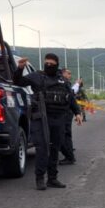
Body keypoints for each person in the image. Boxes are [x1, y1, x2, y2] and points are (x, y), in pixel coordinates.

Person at [14, 54, 82, 190]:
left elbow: (70, 98)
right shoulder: (37, 76)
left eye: (51, 63)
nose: (49, 65)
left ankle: (52, 178)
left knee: (55, 148)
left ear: (57, 65)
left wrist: (78, 112)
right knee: (42, 148)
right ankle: (40, 178)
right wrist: (20, 68)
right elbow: (18, 82)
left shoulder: (62, 80)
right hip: (40, 118)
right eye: (47, 63)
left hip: (58, 118)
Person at [57, 68, 78, 165]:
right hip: (65, 112)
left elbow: (71, 97)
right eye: (68, 73)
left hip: (66, 112)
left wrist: (77, 112)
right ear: (63, 73)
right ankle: (69, 155)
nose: (70, 75)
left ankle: (69, 156)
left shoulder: (64, 83)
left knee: (64, 135)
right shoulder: (61, 82)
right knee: (66, 135)